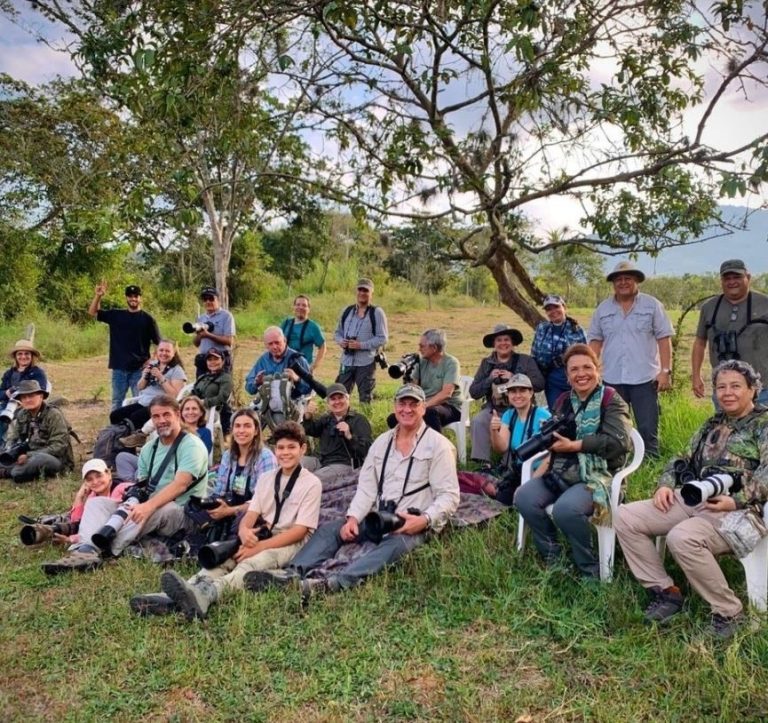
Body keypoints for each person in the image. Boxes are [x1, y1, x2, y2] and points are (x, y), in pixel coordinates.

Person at [244, 384, 460, 602]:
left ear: (423, 408)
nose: (407, 409)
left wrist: (424, 519)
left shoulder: (438, 446)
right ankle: (291, 573)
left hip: (410, 523)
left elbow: (449, 496)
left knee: (395, 546)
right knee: (330, 530)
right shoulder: (382, 442)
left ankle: (331, 584)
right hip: (378, 517)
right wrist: (354, 518)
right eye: (402, 404)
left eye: (414, 404)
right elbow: (367, 486)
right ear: (395, 407)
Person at [615, 360, 768, 639]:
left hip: (740, 509)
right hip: (696, 495)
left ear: (753, 390)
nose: (727, 392)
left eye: (736, 386)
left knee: (681, 537)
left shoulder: (763, 424)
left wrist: (736, 500)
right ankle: (665, 591)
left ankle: (728, 612)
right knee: (626, 516)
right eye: (721, 387)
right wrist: (665, 484)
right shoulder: (713, 422)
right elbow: (681, 458)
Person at [131, 421, 321, 620]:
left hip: (290, 541)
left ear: (303, 449)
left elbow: (299, 531)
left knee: (250, 564)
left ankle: (209, 594)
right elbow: (251, 514)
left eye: (292, 447)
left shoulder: (311, 483)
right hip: (263, 532)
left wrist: (258, 547)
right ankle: (183, 592)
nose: (285, 453)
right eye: (281, 448)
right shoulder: (267, 478)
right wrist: (244, 532)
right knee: (225, 559)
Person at [42, 395, 209, 574]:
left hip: (182, 512)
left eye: (166, 415)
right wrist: (130, 502)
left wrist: (146, 507)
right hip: (150, 505)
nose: (161, 421)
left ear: (177, 414)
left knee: (155, 510)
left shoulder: (191, 446)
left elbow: (180, 485)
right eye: (156, 416)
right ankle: (83, 550)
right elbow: (142, 486)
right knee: (97, 503)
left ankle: (100, 550)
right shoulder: (149, 449)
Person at [514, 344, 632, 579]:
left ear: (598, 370)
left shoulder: (611, 399)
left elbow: (619, 443)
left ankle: (588, 567)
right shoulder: (563, 400)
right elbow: (555, 444)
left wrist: (576, 445)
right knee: (524, 497)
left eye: (587, 367)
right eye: (574, 369)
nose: (581, 374)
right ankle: (554, 559)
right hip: (562, 470)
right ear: (567, 376)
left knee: (566, 510)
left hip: (598, 475)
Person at [588, 260, 673, 458]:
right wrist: (591, 371)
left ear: (636, 281)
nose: (623, 282)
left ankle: (650, 466)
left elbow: (664, 339)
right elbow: (595, 343)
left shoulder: (652, 306)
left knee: (647, 427)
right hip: (612, 379)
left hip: (645, 379)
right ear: (613, 283)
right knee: (615, 427)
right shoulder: (602, 309)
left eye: (628, 278)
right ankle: (619, 464)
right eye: (619, 279)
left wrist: (665, 371)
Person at [692, 259, 768, 406]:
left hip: (763, 388)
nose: (732, 282)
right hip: (725, 391)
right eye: (727, 278)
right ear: (721, 281)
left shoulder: (765, 304)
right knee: (726, 428)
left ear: (748, 277)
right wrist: (696, 375)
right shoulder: (709, 307)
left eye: (737, 277)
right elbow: (700, 342)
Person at [469, 323, 544, 466]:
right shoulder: (486, 364)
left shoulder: (525, 361)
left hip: (521, 411)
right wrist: (489, 379)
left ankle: (511, 462)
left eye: (506, 340)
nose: (503, 343)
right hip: (495, 410)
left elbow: (539, 384)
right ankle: (483, 464)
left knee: (509, 462)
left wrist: (515, 378)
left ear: (513, 342)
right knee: (479, 420)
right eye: (499, 340)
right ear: (494, 344)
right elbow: (474, 392)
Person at [88, 281, 161, 410]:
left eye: (136, 296)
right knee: (117, 401)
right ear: (126, 298)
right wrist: (98, 296)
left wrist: (150, 361)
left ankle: (138, 428)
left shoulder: (148, 319)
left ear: (140, 298)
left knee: (140, 401)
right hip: (119, 368)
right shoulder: (116, 315)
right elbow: (93, 312)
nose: (133, 298)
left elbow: (159, 344)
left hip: (139, 370)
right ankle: (115, 428)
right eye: (130, 296)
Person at [115, 395, 213, 483]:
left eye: (194, 409)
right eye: (187, 409)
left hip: (175, 467)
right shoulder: (167, 429)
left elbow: (198, 459)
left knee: (147, 471)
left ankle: (133, 484)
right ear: (181, 413)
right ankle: (132, 485)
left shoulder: (202, 434)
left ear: (201, 412)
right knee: (122, 457)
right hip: (155, 463)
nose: (190, 412)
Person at [486, 374, 552, 505]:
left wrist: (529, 483)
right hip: (519, 470)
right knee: (500, 500)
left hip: (540, 472)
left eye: (522, 390)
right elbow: (501, 448)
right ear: (508, 395)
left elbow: (550, 456)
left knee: (521, 499)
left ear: (531, 392)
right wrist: (493, 430)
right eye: (513, 391)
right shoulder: (509, 415)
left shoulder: (543, 416)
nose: (517, 396)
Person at [386, 329, 463, 433]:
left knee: (429, 413)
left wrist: (423, 406)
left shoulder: (451, 363)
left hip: (450, 406)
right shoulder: (422, 363)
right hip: (426, 405)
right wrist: (407, 372)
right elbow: (413, 389)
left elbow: (446, 394)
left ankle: (436, 446)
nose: (419, 349)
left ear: (434, 348)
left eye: (422, 346)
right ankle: (409, 445)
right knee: (393, 419)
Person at [0, 380, 74, 483]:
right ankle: (11, 469)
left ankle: (8, 472)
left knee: (36, 461)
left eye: (31, 396)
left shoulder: (53, 415)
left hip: (54, 458)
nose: (27, 400)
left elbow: (59, 446)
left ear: (41, 396)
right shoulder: (22, 414)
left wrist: (29, 455)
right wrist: (9, 450)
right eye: (24, 397)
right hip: (29, 453)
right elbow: (14, 438)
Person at [302, 383, 373, 486]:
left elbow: (367, 449)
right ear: (328, 402)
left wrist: (350, 436)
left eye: (340, 398)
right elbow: (311, 430)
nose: (337, 402)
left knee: (311, 481)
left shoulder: (359, 420)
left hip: (343, 464)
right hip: (321, 461)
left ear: (348, 399)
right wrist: (308, 417)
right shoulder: (327, 419)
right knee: (292, 465)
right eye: (333, 399)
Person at [109, 339, 187, 432]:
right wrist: (144, 376)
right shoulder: (153, 364)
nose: (164, 353)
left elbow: (175, 395)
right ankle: (117, 438)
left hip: (161, 405)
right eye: (161, 350)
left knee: (134, 418)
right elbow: (140, 387)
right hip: (144, 402)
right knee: (115, 415)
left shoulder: (176, 370)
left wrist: (161, 378)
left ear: (173, 353)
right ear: (157, 352)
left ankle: (132, 440)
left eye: (167, 351)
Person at [333, 278, 389, 404]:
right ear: (356, 291)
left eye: (366, 290)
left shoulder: (377, 312)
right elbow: (337, 333)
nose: (362, 293)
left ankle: (365, 422)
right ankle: (340, 422)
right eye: (360, 289)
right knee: (340, 395)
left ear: (371, 293)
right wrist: (341, 341)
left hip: (366, 363)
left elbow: (383, 338)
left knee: (365, 398)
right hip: (346, 361)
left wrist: (361, 345)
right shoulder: (347, 311)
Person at [244, 327, 312, 428]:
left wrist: (297, 379)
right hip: (266, 402)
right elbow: (249, 387)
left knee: (281, 422)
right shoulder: (263, 360)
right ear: (265, 345)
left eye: (277, 342)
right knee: (246, 420)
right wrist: (256, 382)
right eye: (270, 344)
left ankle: (281, 439)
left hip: (292, 404)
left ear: (284, 340)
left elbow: (309, 388)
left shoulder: (297, 359)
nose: (274, 347)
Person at [531, 295, 587, 409]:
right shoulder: (542, 328)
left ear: (564, 307)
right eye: (549, 309)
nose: (553, 311)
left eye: (556, 307)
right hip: (551, 380)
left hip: (573, 378)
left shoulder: (576, 330)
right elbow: (534, 353)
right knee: (556, 413)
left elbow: (587, 357)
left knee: (577, 411)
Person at [0, 339, 49, 442]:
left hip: (28, 406)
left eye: (27, 354)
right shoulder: (9, 373)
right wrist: (6, 393)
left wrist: (24, 398)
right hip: (7, 405)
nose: (23, 357)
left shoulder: (37, 373)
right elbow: (1, 392)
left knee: (3, 423)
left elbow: (43, 392)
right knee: (3, 418)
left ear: (32, 356)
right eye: (20, 354)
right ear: (15, 356)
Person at [192, 286, 236, 378]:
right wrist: (200, 335)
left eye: (211, 298)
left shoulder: (226, 316)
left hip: (220, 359)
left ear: (218, 300)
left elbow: (229, 341)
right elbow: (196, 343)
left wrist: (208, 335)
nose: (208, 302)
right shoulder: (201, 318)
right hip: (204, 359)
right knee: (201, 389)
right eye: (205, 299)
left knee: (222, 389)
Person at [280, 294, 327, 373]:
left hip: (303, 369)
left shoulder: (313, 327)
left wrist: (313, 366)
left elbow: (322, 346)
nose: (300, 307)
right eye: (298, 305)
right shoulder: (286, 323)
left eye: (304, 305)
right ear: (293, 307)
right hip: (284, 367)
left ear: (308, 309)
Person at [191, 348, 233, 434]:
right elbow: (193, 392)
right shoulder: (203, 377)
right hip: (197, 407)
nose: (213, 362)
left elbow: (222, 398)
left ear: (223, 361)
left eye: (216, 359)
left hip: (214, 411)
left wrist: (204, 402)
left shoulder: (226, 378)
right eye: (209, 360)